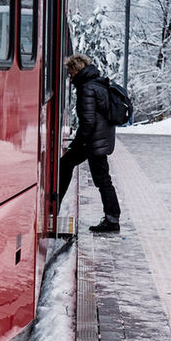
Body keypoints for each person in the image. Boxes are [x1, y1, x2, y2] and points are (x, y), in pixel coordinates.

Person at [56, 54, 122, 233]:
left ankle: (112, 220)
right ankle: (112, 217)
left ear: (77, 70)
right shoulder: (98, 84)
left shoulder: (87, 88)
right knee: (74, 167)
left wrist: (77, 143)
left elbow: (88, 122)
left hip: (93, 141)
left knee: (98, 178)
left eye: (70, 73)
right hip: (99, 139)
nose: (70, 77)